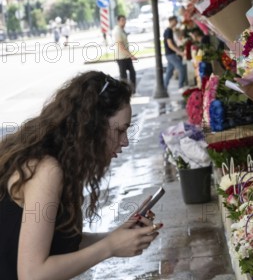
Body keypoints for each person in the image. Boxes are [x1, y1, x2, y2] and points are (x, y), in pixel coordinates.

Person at [0, 72, 162, 280]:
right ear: (92, 127)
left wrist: (118, 236)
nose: (125, 141)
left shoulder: (64, 163)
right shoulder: (47, 170)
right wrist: (110, 247)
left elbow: (61, 243)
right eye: (120, 130)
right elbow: (32, 274)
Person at [112, 15, 137, 93]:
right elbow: (120, 46)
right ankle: (124, 91)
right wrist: (131, 55)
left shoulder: (122, 30)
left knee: (132, 73)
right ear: (118, 21)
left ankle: (132, 89)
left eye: (125, 20)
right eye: (122, 20)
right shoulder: (117, 31)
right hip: (121, 57)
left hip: (126, 56)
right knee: (123, 76)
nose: (124, 22)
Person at [163, 16, 188, 91]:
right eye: (175, 21)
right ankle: (180, 86)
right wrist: (179, 52)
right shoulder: (168, 31)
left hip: (170, 54)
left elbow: (172, 44)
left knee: (169, 71)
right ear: (172, 21)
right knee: (181, 68)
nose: (177, 22)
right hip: (171, 54)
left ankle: (164, 87)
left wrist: (178, 50)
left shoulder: (169, 30)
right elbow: (170, 44)